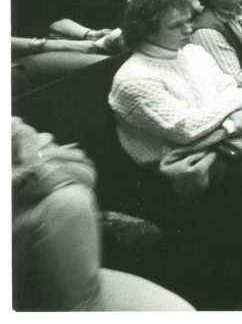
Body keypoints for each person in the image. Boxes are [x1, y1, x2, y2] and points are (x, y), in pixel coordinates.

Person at [108, 0, 242, 308]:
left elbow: (233, 88)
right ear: (147, 31)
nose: (189, 29)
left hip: (223, 138)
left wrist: (231, 109)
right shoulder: (132, 80)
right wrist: (232, 118)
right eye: (177, 26)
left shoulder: (192, 53)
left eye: (188, 22)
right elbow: (186, 130)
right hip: (179, 162)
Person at [12, 118, 193, 311]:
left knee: (180, 312)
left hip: (81, 278)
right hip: (23, 278)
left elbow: (82, 168)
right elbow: (189, 129)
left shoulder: (11, 126)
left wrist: (31, 173)